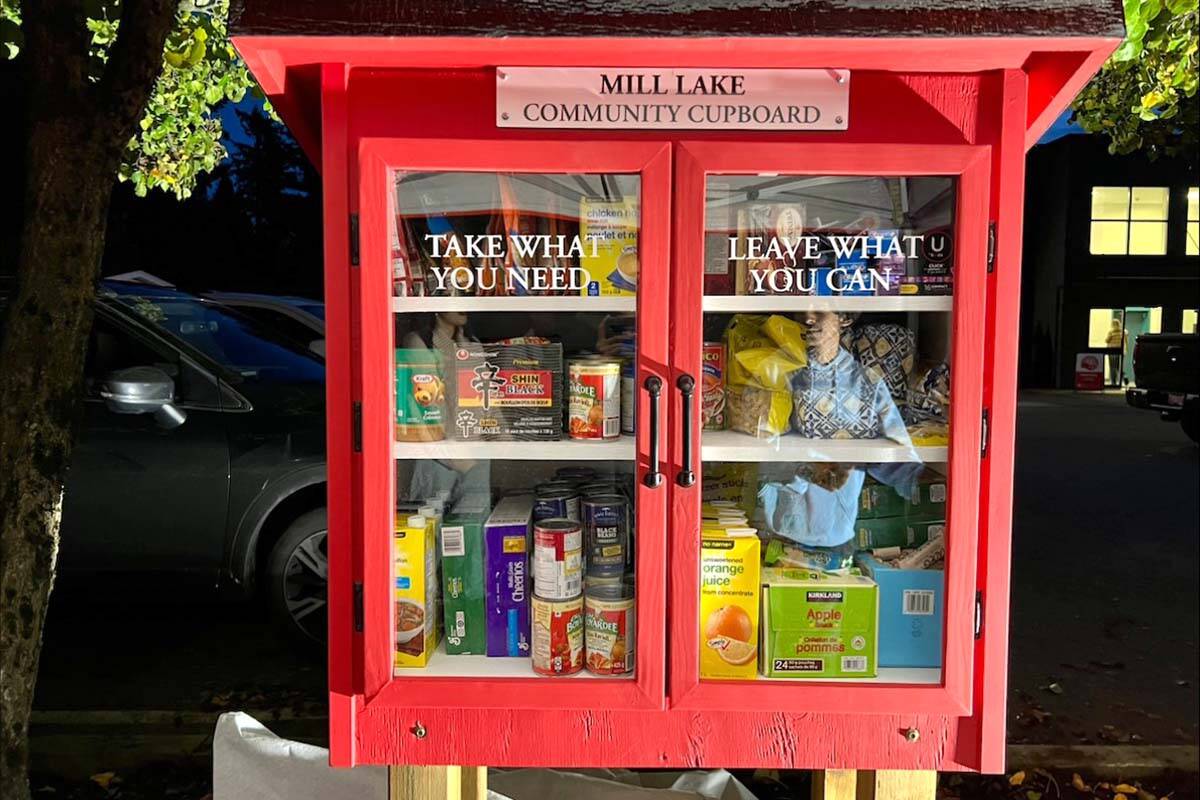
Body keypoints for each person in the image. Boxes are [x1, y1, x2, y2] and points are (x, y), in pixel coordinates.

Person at [1104, 318, 1125, 387]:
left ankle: (1114, 382)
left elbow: (1106, 340)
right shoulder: (1122, 332)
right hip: (1119, 351)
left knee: (1112, 367)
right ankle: (1121, 381)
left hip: (1111, 351)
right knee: (1118, 366)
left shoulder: (1111, 332)